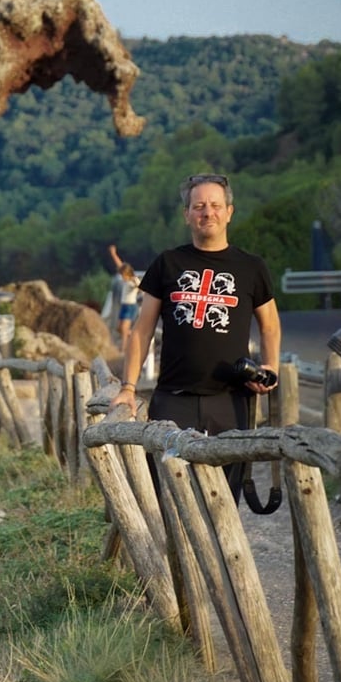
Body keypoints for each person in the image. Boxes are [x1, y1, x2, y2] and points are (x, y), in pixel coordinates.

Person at [110, 173, 281, 503]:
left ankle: (219, 556)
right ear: (186, 214)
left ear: (229, 211)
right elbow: (142, 330)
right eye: (199, 205)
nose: (208, 212)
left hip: (231, 399)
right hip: (174, 396)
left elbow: (270, 325)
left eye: (216, 205)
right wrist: (128, 388)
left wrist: (269, 365)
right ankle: (171, 556)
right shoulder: (168, 263)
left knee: (225, 499)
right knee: (169, 495)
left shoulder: (251, 267)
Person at [108, 244, 140, 351]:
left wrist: (135, 284)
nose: (122, 278)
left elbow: (139, 286)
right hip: (124, 306)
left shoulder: (133, 280)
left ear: (127, 274)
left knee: (124, 330)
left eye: (123, 276)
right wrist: (113, 254)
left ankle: (123, 350)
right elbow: (119, 265)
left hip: (130, 307)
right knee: (120, 329)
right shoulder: (126, 279)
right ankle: (133, 334)